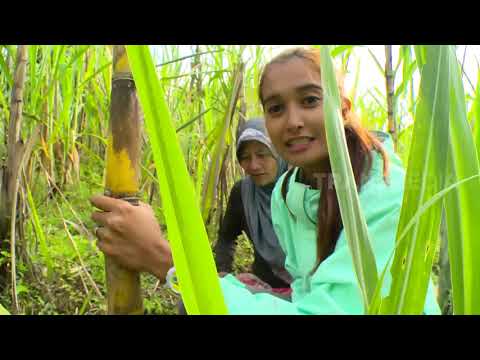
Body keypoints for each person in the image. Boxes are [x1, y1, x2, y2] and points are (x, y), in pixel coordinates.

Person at [91, 47, 440, 315]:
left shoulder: (387, 194)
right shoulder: (287, 194)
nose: (293, 121)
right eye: (276, 108)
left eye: (310, 100)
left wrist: (166, 260)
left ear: (343, 107)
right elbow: (294, 280)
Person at [214, 118, 291, 295]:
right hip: (264, 286)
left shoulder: (301, 185)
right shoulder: (243, 193)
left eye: (262, 154)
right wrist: (223, 272)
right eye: (245, 158)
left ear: (278, 152)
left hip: (310, 289)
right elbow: (226, 238)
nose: (254, 165)